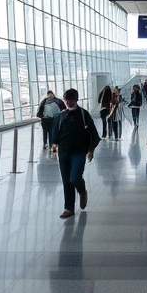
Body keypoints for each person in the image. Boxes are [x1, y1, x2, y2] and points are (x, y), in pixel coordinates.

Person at [51, 89, 101, 219]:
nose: (68, 102)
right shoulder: (61, 116)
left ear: (76, 100)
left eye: (71, 100)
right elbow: (56, 133)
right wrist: (54, 144)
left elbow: (95, 135)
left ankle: (82, 191)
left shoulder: (84, 115)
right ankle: (69, 208)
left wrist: (90, 149)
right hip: (64, 153)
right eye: (66, 100)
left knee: (74, 178)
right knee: (66, 181)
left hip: (79, 152)